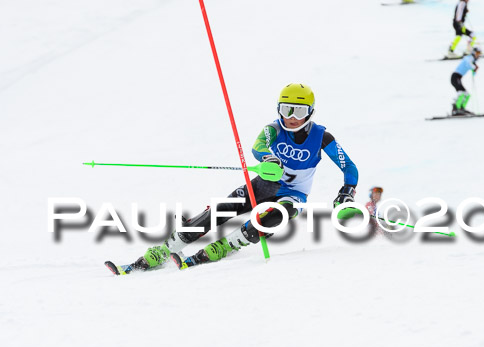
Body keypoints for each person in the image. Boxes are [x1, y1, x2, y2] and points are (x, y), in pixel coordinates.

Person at [106, 83, 359, 275]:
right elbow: (258, 146)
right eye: (286, 109)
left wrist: (347, 191)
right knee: (221, 210)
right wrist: (268, 159)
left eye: (299, 110)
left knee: (272, 216)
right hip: (264, 184)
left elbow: (350, 168)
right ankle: (165, 249)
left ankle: (224, 247)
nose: (291, 116)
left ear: (311, 112)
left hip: (293, 195)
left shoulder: (322, 137)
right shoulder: (273, 129)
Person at [450, 47, 482, 116]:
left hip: (458, 78)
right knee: (461, 93)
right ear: (474, 53)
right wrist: (474, 67)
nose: (478, 55)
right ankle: (456, 109)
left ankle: (461, 108)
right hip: (455, 77)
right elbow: (468, 64)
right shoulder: (469, 57)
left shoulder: (472, 60)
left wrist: (475, 70)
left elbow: (473, 72)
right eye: (477, 53)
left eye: (479, 53)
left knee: (466, 94)